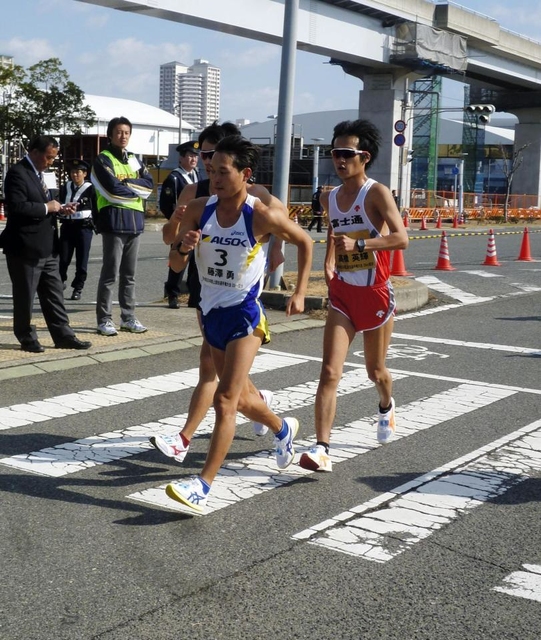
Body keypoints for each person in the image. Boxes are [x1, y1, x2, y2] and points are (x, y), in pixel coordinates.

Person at [164, 135, 313, 514]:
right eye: (211, 170)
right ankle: (282, 429)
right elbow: (176, 265)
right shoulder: (199, 208)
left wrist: (299, 291)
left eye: (223, 172)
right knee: (245, 399)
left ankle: (203, 484)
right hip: (211, 314)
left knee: (225, 399)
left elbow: (305, 241)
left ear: (245, 174)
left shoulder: (260, 213)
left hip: (245, 313)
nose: (214, 178)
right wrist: (184, 245)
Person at [150, 121, 285, 464]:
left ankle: (184, 438)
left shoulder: (253, 194)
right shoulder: (194, 192)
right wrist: (179, 235)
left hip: (238, 295)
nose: (206, 161)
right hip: (204, 285)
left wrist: (276, 247)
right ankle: (263, 409)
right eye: (202, 155)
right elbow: (170, 240)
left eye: (212, 155)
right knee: (221, 371)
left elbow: (279, 217)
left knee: (211, 368)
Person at [299, 119, 408, 474]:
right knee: (330, 372)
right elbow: (334, 234)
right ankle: (322, 448)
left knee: (375, 371)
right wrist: (330, 265)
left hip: (375, 293)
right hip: (344, 294)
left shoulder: (377, 193)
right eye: (335, 153)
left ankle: (386, 404)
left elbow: (401, 238)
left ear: (365, 157)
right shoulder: (330, 197)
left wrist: (362, 243)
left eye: (347, 154)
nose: (340, 160)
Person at [0, 135, 92, 353]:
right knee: (25, 295)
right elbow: (17, 207)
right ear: (34, 152)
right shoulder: (17, 174)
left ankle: (63, 335)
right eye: (49, 157)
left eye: (54, 157)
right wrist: (47, 207)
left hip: (49, 246)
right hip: (25, 246)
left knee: (54, 294)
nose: (51, 162)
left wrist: (60, 208)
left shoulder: (43, 175)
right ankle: (26, 336)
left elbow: (49, 204)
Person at [91, 116, 153, 336]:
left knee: (129, 275)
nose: (123, 136)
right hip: (114, 223)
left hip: (135, 224)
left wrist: (125, 184)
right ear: (110, 134)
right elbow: (111, 191)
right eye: (118, 132)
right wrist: (133, 189)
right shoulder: (103, 160)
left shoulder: (135, 159)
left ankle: (128, 317)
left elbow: (149, 187)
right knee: (110, 274)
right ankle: (104, 320)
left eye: (126, 132)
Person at [159, 140, 200, 309]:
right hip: (181, 227)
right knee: (177, 261)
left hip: (196, 226)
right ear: (181, 158)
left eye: (195, 156)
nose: (193, 159)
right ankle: (173, 294)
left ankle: (193, 296)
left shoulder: (197, 176)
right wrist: (175, 222)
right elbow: (166, 203)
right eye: (190, 156)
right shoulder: (175, 178)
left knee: (195, 263)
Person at [57, 159, 97, 300]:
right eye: (73, 172)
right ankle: (59, 283)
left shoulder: (91, 188)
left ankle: (78, 288)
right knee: (63, 258)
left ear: (84, 173)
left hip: (83, 228)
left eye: (78, 172)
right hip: (67, 226)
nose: (75, 175)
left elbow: (96, 208)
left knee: (82, 261)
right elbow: (58, 205)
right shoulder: (65, 187)